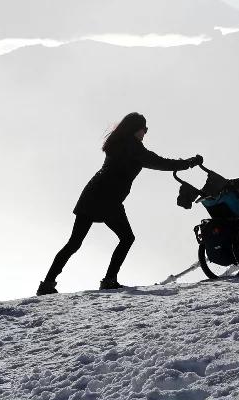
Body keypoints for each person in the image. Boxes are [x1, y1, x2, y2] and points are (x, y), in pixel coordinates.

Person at [37, 113, 202, 294]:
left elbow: (155, 161)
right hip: (107, 198)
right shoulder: (133, 147)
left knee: (74, 243)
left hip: (93, 194)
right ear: (135, 129)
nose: (145, 133)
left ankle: (47, 284)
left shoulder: (119, 142)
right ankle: (109, 280)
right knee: (126, 238)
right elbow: (159, 162)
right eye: (144, 129)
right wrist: (189, 163)